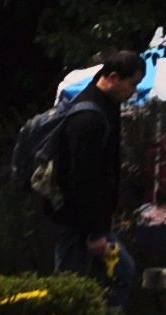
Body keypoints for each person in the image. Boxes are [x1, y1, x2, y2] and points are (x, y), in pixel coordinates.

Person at [49, 50, 141, 277]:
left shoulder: (106, 108)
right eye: (131, 84)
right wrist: (94, 233)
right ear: (112, 77)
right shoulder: (88, 117)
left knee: (114, 275)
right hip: (76, 224)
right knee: (84, 281)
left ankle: (100, 312)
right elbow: (82, 177)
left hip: (91, 223)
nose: (133, 91)